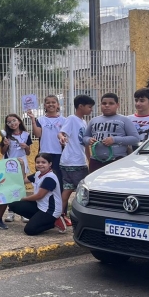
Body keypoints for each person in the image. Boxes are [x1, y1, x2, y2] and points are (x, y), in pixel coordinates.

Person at [58, 94, 95, 227]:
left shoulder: (83, 122)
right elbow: (61, 132)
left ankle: (61, 215)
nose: (91, 109)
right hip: (74, 161)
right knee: (82, 190)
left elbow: (85, 144)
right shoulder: (72, 119)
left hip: (74, 160)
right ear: (80, 106)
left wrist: (89, 159)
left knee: (67, 190)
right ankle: (78, 215)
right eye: (89, 107)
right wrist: (61, 137)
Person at [7, 153, 67, 235]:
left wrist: (23, 198)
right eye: (38, 162)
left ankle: (54, 222)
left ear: (50, 164)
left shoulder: (50, 178)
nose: (40, 164)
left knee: (29, 230)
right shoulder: (38, 174)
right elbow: (23, 180)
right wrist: (22, 165)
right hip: (40, 206)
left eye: (43, 162)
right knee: (13, 204)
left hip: (50, 211)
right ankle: (38, 220)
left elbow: (39, 196)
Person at [83, 92, 140, 173]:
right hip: (96, 161)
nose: (107, 105)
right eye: (104, 103)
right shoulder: (93, 120)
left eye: (111, 103)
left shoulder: (124, 120)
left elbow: (135, 138)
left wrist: (114, 140)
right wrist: (89, 140)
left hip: (117, 161)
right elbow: (85, 137)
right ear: (100, 105)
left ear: (117, 105)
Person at [27, 95, 66, 190]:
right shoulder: (40, 120)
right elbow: (37, 135)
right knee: (42, 179)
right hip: (44, 154)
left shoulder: (64, 120)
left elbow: (66, 136)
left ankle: (59, 203)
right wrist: (33, 119)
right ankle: (41, 202)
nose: (51, 104)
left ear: (58, 105)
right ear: (44, 105)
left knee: (58, 179)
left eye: (53, 102)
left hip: (59, 154)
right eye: (48, 103)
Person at [1, 113, 32, 223]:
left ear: (19, 121)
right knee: (10, 187)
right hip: (10, 163)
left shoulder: (26, 134)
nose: (12, 123)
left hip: (22, 162)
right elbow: (2, 152)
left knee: (21, 186)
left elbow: (28, 153)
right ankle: (11, 211)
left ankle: (23, 212)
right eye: (9, 122)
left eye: (14, 120)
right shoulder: (6, 136)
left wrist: (26, 147)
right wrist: (5, 145)